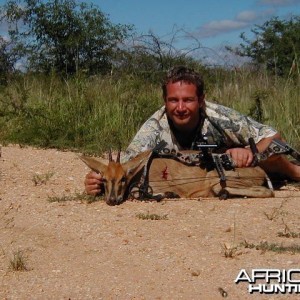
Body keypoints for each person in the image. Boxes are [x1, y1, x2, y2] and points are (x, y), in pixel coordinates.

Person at [85, 66, 300, 195]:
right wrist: (98, 180)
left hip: (237, 165)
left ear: (201, 100)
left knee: (273, 157)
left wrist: (248, 152)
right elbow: (125, 167)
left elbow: (273, 137)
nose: (180, 108)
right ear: (164, 101)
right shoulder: (154, 127)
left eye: (188, 100)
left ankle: (293, 172)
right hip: (207, 176)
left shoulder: (219, 116)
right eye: (173, 100)